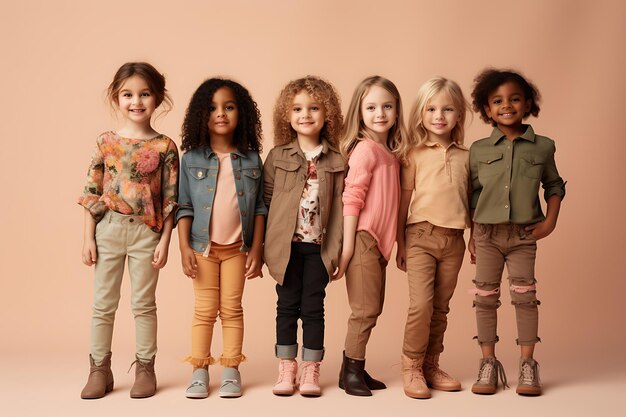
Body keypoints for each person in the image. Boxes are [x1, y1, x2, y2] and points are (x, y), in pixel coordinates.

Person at [79, 62, 178, 399]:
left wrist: (165, 241)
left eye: (145, 93)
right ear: (116, 97)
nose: (136, 101)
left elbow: (170, 199)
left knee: (143, 304)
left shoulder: (165, 146)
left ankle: (145, 368)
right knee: (103, 304)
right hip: (108, 230)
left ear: (158, 97)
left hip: (145, 234)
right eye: (128, 94)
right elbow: (92, 191)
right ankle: (98, 369)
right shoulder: (106, 142)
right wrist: (87, 238)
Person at [468, 68, 566, 396]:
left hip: (524, 236)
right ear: (486, 109)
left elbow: (553, 185)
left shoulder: (543, 147)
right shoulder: (478, 150)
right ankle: (488, 363)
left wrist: (549, 222)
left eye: (514, 99)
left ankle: (527, 365)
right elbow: (472, 195)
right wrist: (472, 236)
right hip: (487, 235)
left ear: (527, 104)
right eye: (497, 101)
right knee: (485, 299)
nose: (506, 105)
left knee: (525, 299)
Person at [177, 78, 266, 398]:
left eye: (229, 107)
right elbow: (184, 206)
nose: (221, 113)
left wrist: (258, 248)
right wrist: (184, 247)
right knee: (204, 310)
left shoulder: (252, 159)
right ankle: (199, 370)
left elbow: (259, 207)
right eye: (213, 108)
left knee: (232, 308)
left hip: (237, 249)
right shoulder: (191, 159)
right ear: (201, 114)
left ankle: (230, 370)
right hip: (203, 248)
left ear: (241, 114)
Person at [264, 76, 345, 397]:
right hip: (285, 248)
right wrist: (262, 249)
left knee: (313, 308)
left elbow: (341, 209)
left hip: (319, 248)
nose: (305, 115)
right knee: (286, 307)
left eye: (313, 108)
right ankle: (287, 367)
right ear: (286, 114)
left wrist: (337, 252)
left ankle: (311, 369)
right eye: (297, 108)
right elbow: (266, 205)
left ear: (328, 115)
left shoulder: (337, 161)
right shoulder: (277, 156)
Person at [334, 75, 410, 396]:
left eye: (387, 106)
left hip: (380, 243)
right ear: (360, 113)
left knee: (373, 307)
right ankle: (350, 371)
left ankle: (355, 368)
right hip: (363, 238)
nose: (380, 113)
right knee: (364, 309)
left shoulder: (388, 153)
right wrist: (349, 246)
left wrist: (398, 244)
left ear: (396, 111)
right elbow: (352, 199)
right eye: (371, 107)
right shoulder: (365, 150)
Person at [396, 77, 470, 399]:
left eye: (447, 109)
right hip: (420, 236)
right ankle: (411, 366)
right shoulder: (413, 154)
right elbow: (403, 199)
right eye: (432, 109)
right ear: (421, 114)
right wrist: (400, 242)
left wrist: (477, 238)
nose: (439, 116)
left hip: (455, 239)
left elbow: (474, 202)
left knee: (441, 307)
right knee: (421, 304)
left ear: (458, 116)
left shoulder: (469, 157)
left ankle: (430, 363)